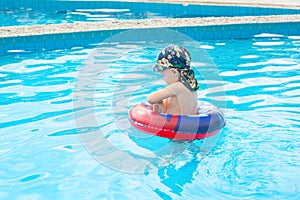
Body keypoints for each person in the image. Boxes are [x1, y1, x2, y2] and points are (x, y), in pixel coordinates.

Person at [147, 44, 199, 115]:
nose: (163, 79)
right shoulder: (191, 87)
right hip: (191, 123)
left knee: (157, 101)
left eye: (163, 75)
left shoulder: (177, 87)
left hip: (176, 125)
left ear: (174, 72)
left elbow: (150, 99)